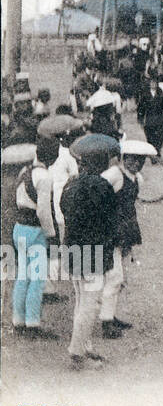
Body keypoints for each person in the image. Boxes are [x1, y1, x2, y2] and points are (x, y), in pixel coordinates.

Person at [61, 134, 120, 370]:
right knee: (91, 303)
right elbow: (110, 220)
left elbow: (64, 210)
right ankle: (77, 352)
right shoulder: (103, 187)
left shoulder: (71, 184)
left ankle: (84, 346)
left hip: (74, 247)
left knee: (80, 300)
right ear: (101, 164)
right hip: (94, 251)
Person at [99, 141, 149, 339]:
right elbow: (97, 194)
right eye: (131, 159)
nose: (135, 163)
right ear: (123, 158)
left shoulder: (137, 179)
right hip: (109, 232)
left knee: (119, 277)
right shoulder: (113, 175)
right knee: (114, 277)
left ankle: (109, 315)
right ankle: (105, 322)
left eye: (140, 160)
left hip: (124, 231)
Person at [12, 137, 60, 339]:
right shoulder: (45, 177)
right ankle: (32, 324)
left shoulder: (25, 172)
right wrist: (51, 234)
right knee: (38, 280)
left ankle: (18, 320)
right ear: (54, 156)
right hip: (34, 230)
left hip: (19, 228)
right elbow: (43, 211)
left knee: (23, 276)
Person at [136, 78, 163, 151]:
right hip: (149, 119)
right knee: (149, 136)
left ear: (157, 84)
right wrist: (140, 119)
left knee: (159, 136)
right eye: (152, 83)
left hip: (159, 119)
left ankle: (158, 151)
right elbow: (141, 108)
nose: (153, 84)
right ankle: (152, 152)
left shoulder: (161, 95)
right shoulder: (145, 95)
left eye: (155, 83)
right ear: (149, 84)